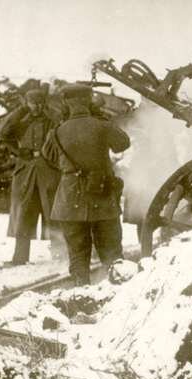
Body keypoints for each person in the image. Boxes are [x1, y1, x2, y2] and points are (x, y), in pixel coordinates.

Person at [48, 84, 131, 285]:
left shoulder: (58, 130)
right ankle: (116, 293)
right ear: (89, 101)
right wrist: (102, 119)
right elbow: (123, 143)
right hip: (101, 196)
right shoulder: (101, 124)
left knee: (77, 254)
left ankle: (81, 293)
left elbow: (49, 157)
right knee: (112, 253)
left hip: (70, 198)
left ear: (66, 103)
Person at [0, 89, 63, 266]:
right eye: (33, 103)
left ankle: (59, 254)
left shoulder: (51, 120)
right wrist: (18, 151)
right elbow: (3, 134)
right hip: (25, 171)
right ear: (26, 103)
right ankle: (20, 257)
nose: (37, 107)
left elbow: (61, 125)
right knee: (24, 211)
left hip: (49, 170)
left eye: (40, 103)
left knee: (53, 210)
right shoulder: (21, 121)